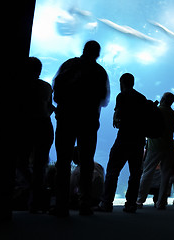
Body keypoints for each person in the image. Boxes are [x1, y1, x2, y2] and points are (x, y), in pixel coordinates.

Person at [52, 40, 110, 217]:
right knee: (86, 163)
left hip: (66, 119)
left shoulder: (69, 65)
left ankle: (61, 204)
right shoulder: (100, 72)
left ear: (84, 50)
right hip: (89, 123)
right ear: (98, 54)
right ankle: (85, 204)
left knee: (63, 161)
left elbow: (56, 90)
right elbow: (104, 99)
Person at [98, 73, 146, 213]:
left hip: (124, 138)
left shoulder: (122, 96)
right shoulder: (141, 98)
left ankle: (107, 203)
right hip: (138, 141)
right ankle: (131, 204)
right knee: (135, 173)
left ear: (122, 83)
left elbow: (118, 115)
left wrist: (118, 119)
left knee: (113, 170)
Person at [19, 57, 55, 213]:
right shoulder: (46, 86)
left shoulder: (22, 86)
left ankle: (36, 197)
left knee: (22, 162)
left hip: (28, 128)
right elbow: (49, 107)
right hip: (44, 127)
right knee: (40, 166)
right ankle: (36, 199)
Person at [137, 92, 174, 210]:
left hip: (155, 146)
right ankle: (161, 202)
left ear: (163, 99)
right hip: (169, 147)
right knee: (165, 175)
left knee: (147, 172)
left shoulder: (156, 110)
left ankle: (140, 200)